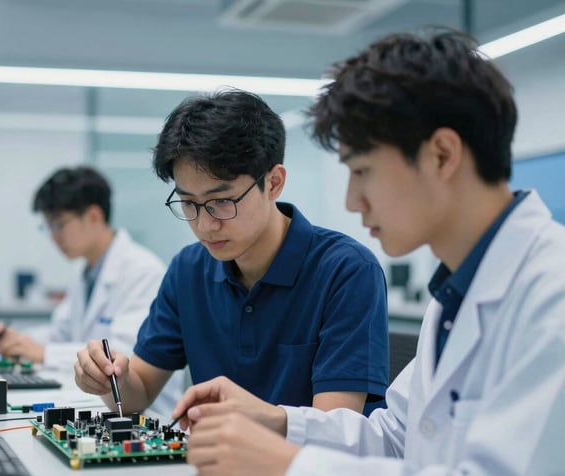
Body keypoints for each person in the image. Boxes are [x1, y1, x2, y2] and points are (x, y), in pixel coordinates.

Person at [171, 30, 565, 475]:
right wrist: (276, 420)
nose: (352, 201)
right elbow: (397, 437)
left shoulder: (552, 295)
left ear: (441, 155)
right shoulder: (458, 295)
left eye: (362, 171)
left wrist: (290, 463)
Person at [74, 90, 390, 416]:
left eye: (222, 201)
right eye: (189, 203)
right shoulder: (188, 270)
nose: (205, 225)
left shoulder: (346, 271)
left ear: (274, 182)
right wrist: (110, 380)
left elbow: (334, 428)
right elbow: (137, 394)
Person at [0, 166, 169, 388]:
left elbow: (124, 357)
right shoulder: (85, 270)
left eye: (58, 224)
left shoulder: (143, 272)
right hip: (95, 397)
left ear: (94, 217)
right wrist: (15, 340)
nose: (53, 236)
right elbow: (60, 333)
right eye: (48, 226)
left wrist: (44, 353)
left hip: (139, 405)